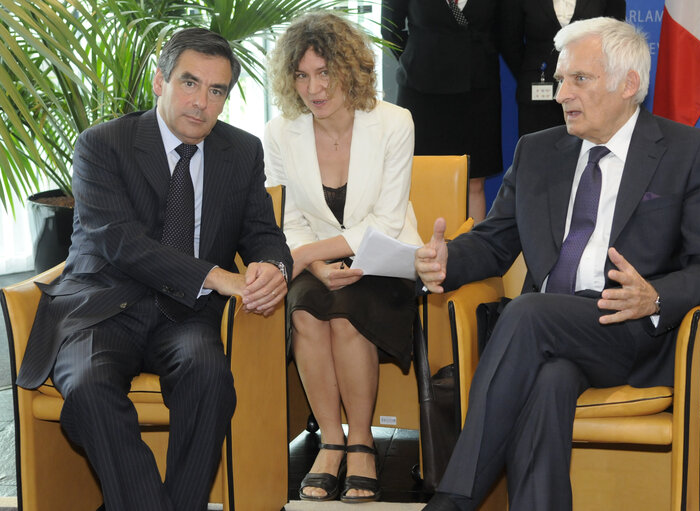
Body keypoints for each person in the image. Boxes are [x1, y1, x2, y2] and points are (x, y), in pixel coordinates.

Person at [415, 17, 700, 511]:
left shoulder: (687, 152)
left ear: (629, 84)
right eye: (561, 79)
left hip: (626, 329)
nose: (561, 92)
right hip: (550, 333)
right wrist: (448, 259)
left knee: (526, 312)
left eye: (579, 80)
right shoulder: (538, 151)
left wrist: (655, 296)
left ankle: (454, 498)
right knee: (550, 381)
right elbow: (495, 243)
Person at [16, 28, 292, 511]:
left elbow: (263, 233)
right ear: (160, 80)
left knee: (210, 380)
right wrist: (217, 277)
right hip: (102, 308)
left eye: (216, 90)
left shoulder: (242, 151)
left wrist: (273, 267)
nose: (201, 102)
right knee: (88, 390)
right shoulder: (103, 144)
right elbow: (121, 243)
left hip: (184, 317)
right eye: (190, 83)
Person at [265, 11, 422, 504]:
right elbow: (285, 220)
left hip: (383, 260)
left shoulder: (395, 122)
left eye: (325, 71)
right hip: (315, 263)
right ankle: (331, 442)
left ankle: (362, 442)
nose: (314, 87)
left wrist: (310, 252)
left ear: (350, 69)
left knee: (348, 317)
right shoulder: (279, 133)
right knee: (309, 310)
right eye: (303, 75)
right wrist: (312, 264)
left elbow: (386, 221)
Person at [381, 0, 515, 222]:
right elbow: (389, 28)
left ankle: (473, 253)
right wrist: (420, 56)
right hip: (421, 91)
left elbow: (506, 32)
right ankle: (420, 251)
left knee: (474, 179)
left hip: (477, 91)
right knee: (420, 176)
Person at [502, 0, 626, 137]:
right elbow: (509, 41)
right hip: (536, 93)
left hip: (590, 94)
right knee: (538, 151)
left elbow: (616, 39)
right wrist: (536, 71)